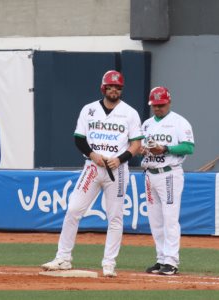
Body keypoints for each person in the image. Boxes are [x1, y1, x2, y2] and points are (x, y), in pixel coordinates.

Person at [41, 70, 143, 277]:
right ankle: (63, 258)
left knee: (115, 217)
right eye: (110, 86)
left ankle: (109, 264)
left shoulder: (130, 112)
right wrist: (92, 154)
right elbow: (79, 139)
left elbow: (136, 143)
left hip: (117, 170)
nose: (114, 89)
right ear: (103, 88)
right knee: (73, 209)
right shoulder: (89, 110)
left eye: (118, 87)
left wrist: (121, 159)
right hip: (93, 167)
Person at [140, 86, 194, 275]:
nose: (158, 108)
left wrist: (165, 149)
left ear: (168, 102)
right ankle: (161, 258)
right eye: (154, 105)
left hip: (169, 173)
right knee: (155, 220)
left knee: (170, 218)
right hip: (150, 173)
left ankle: (171, 261)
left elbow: (188, 147)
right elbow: (140, 145)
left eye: (161, 105)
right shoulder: (146, 124)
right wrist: (143, 149)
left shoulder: (179, 122)